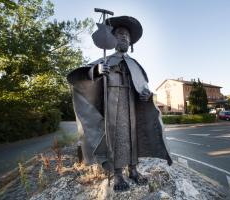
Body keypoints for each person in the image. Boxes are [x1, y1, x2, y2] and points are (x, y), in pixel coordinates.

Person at [67, 16, 172, 191]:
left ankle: (133, 170)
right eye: (119, 33)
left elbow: (143, 86)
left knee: (132, 137)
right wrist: (97, 70)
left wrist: (146, 95)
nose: (123, 36)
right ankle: (117, 175)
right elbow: (80, 78)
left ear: (131, 42)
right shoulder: (105, 61)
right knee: (114, 137)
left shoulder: (135, 65)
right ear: (112, 39)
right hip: (112, 103)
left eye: (127, 35)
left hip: (131, 104)